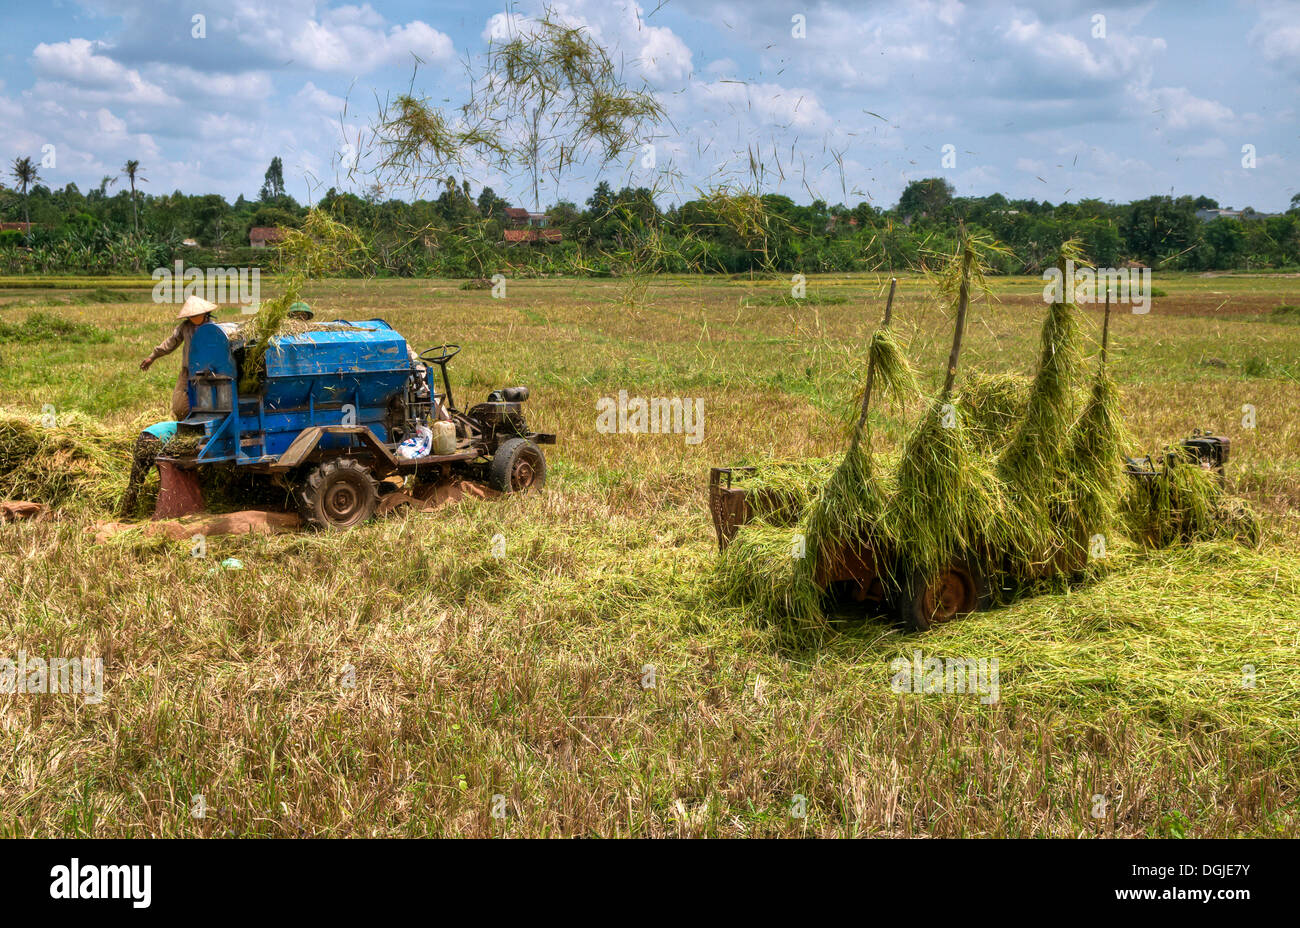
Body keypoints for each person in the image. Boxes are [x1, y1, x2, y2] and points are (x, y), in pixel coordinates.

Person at [140, 295, 218, 420]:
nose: (194, 318)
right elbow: (170, 343)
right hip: (188, 371)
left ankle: (206, 426)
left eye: (197, 315)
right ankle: (189, 427)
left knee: (210, 404)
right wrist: (153, 357)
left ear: (206, 313)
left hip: (210, 372)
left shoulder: (214, 329)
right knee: (179, 407)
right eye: (191, 316)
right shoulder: (185, 327)